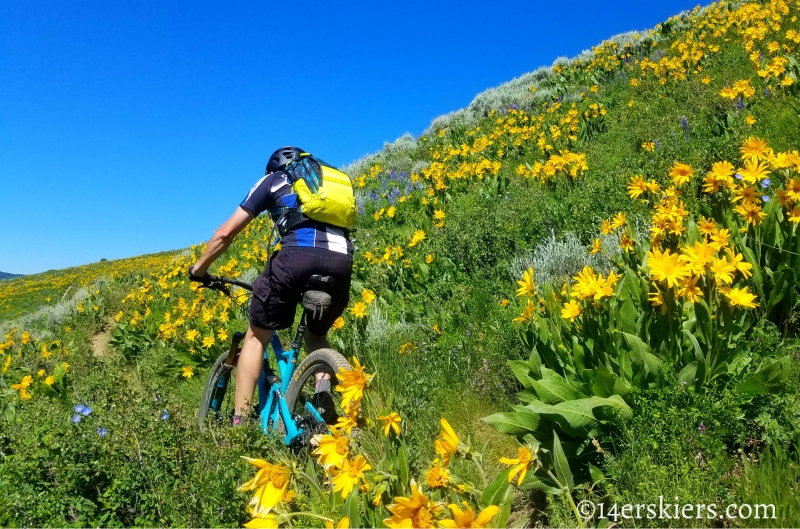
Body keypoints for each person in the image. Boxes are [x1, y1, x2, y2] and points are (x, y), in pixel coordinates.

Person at [188, 146, 353, 425]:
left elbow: (226, 232)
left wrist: (199, 270)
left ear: (274, 167)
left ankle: (239, 423)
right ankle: (322, 396)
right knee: (316, 336)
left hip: (295, 259)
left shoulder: (273, 179)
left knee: (255, 338)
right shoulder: (329, 182)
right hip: (342, 261)